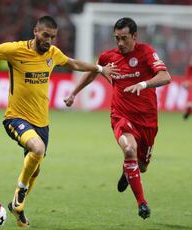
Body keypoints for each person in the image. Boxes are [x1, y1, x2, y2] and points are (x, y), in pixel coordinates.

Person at [0, 16, 118, 227]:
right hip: (15, 118)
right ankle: (20, 195)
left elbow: (72, 63)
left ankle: (17, 207)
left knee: (35, 167)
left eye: (53, 37)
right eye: (46, 35)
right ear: (36, 31)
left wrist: (99, 69)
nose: (49, 41)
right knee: (38, 149)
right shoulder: (15, 50)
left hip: (42, 122)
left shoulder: (53, 54)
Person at [64, 17, 171, 219]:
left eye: (124, 38)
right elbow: (93, 72)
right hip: (121, 115)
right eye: (117, 39)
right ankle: (142, 204)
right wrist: (74, 93)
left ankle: (127, 170)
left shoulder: (147, 52)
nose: (120, 43)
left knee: (143, 166)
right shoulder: (108, 56)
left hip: (147, 120)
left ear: (134, 36)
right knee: (129, 149)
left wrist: (143, 84)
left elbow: (166, 77)